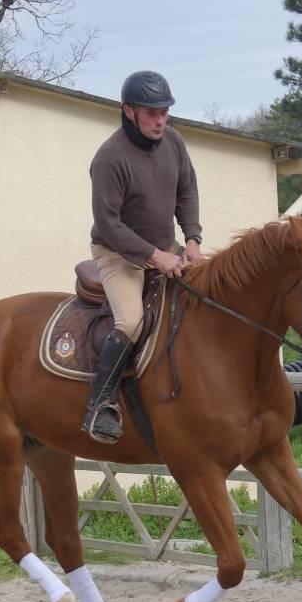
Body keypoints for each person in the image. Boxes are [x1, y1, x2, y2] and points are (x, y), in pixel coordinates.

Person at [82, 70, 204, 443]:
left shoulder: (175, 143)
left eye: (164, 111)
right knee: (132, 321)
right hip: (119, 255)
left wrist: (193, 238)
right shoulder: (109, 158)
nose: (160, 119)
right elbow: (109, 222)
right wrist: (154, 256)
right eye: (151, 112)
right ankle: (100, 404)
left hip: (167, 249)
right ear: (129, 111)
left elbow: (187, 191)